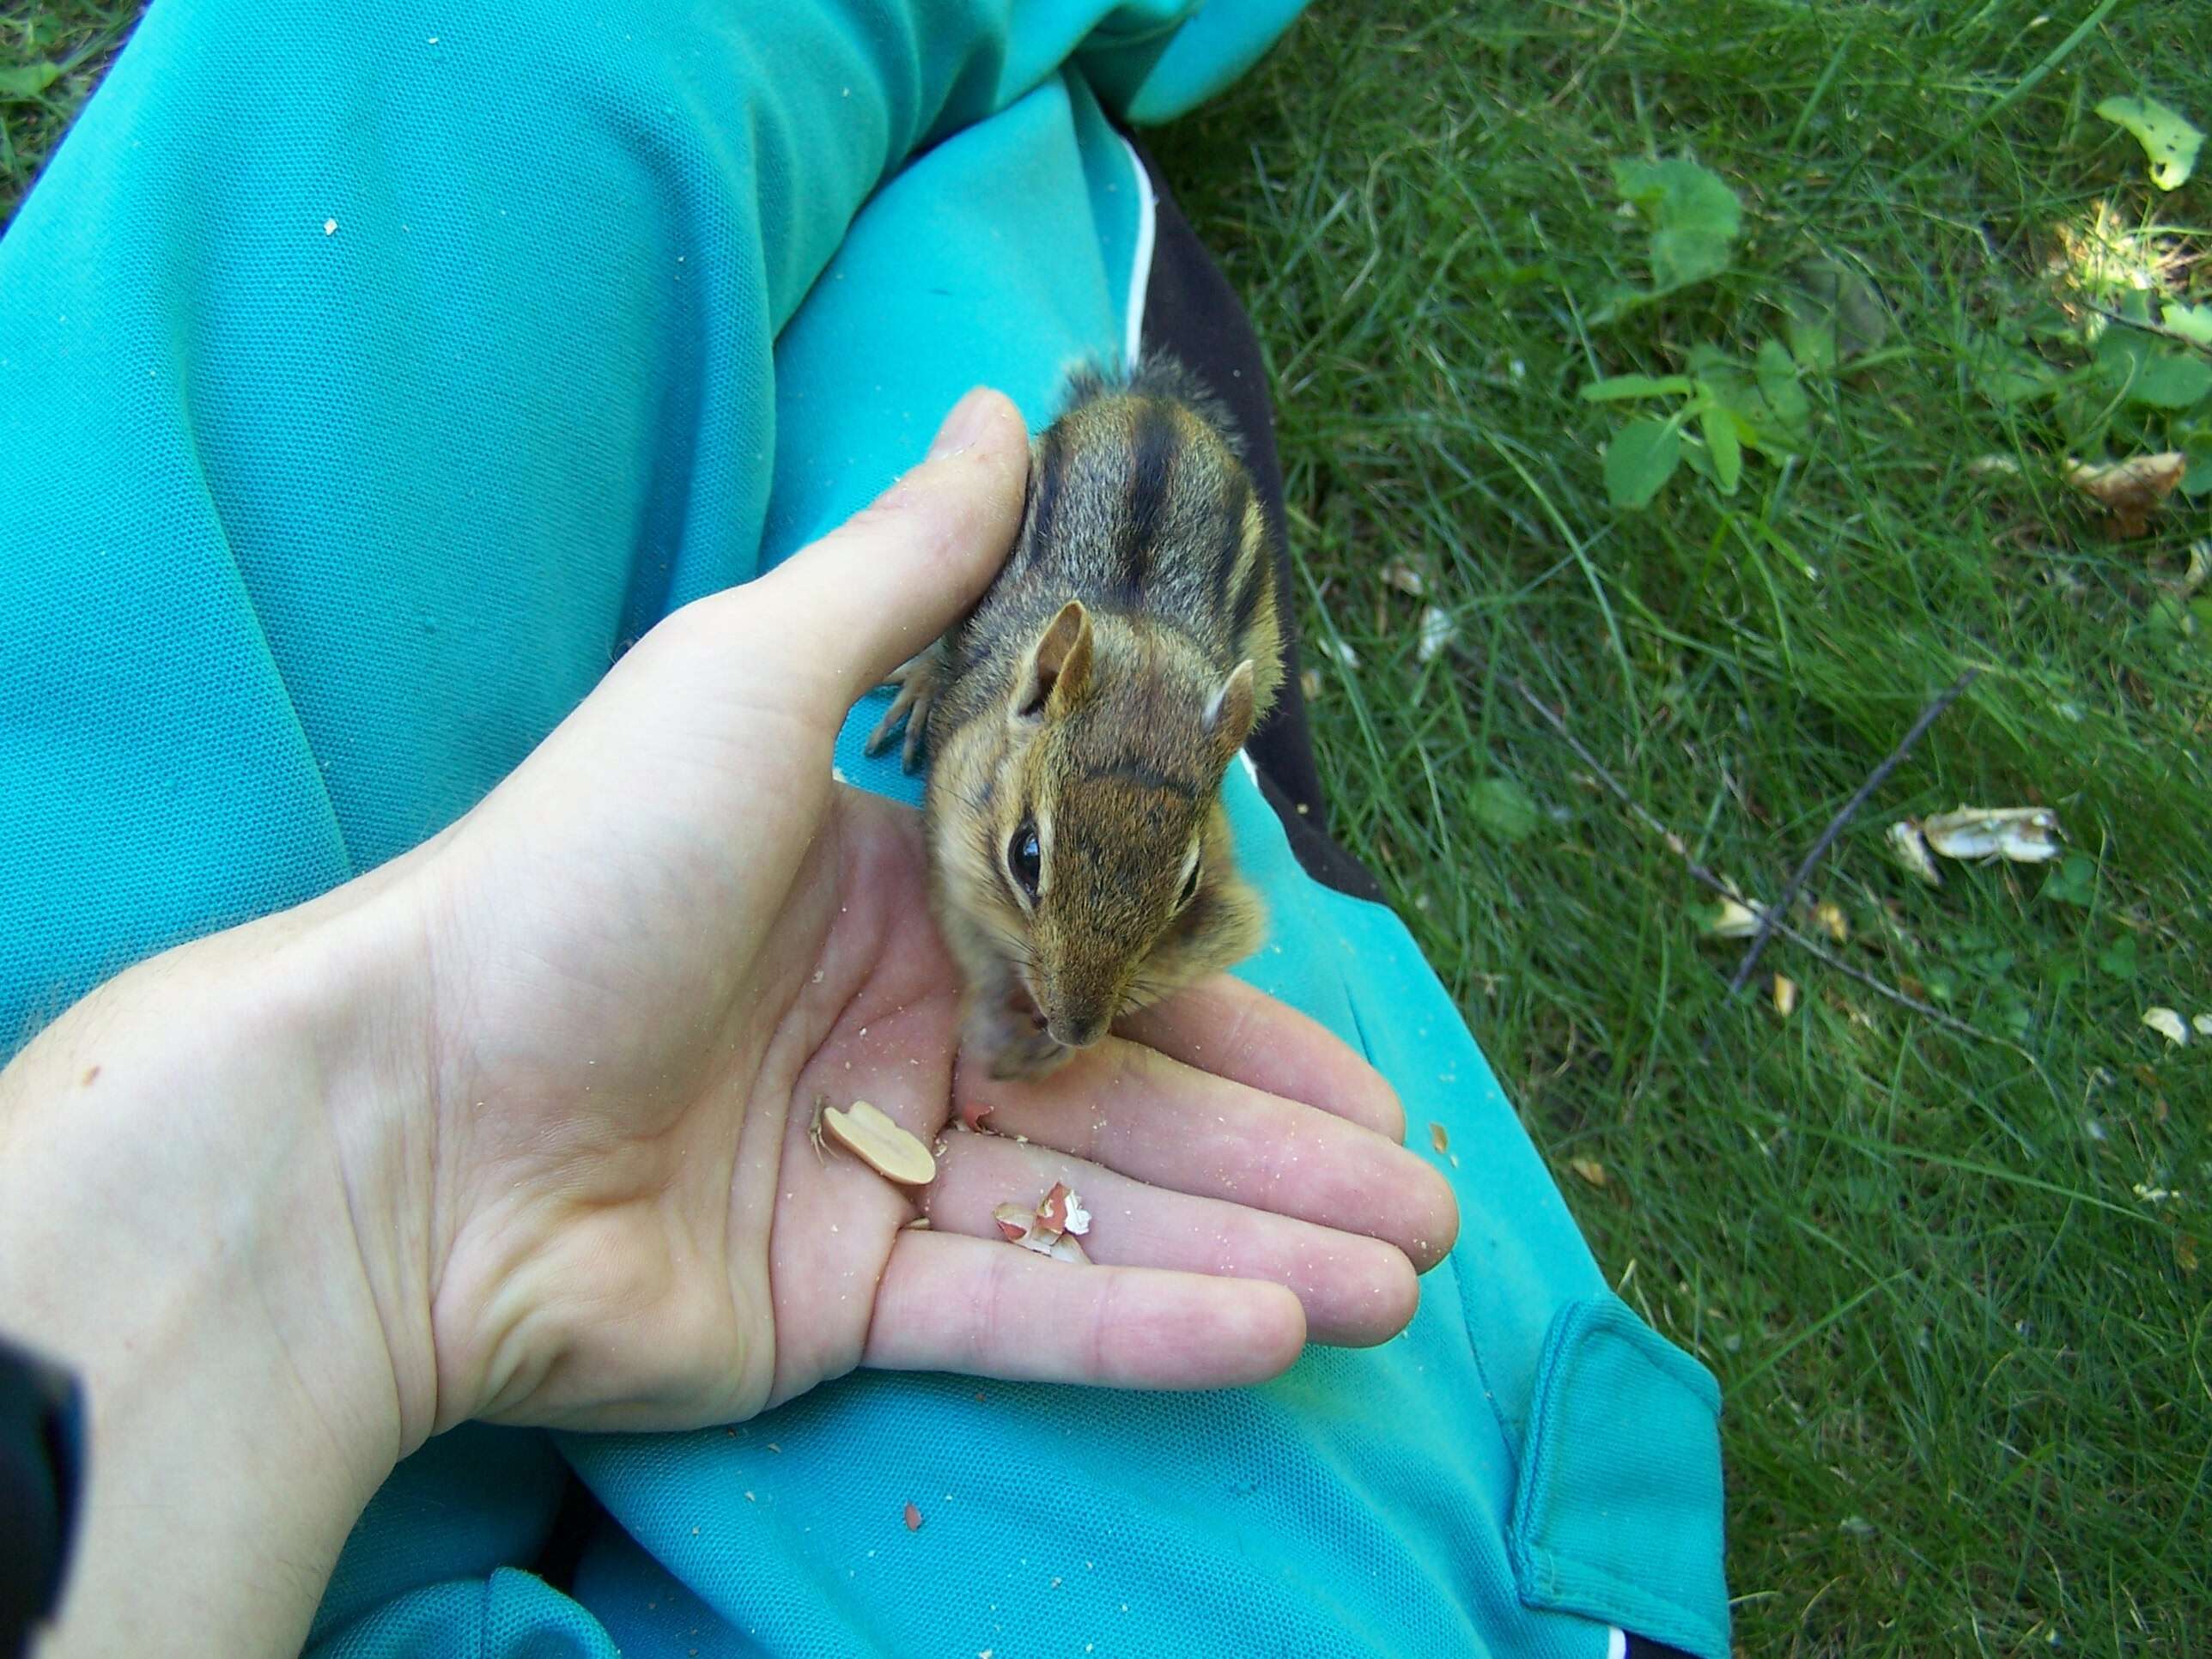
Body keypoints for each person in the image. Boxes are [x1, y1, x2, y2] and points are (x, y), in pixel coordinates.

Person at [0, 3, 1729, 1656]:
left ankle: (985, 117)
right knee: (936, 290)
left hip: (130, 1140)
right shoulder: (1042, 700)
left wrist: (333, 1177)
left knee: (400, 62)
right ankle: (1002, 134)